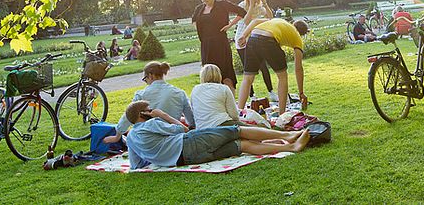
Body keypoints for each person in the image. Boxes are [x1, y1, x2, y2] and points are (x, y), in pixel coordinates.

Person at [124, 100, 310, 170]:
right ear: (144, 114)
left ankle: (290, 147)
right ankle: (287, 137)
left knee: (242, 146)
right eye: (150, 109)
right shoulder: (152, 123)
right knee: (238, 130)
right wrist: (164, 116)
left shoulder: (131, 139)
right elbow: (182, 129)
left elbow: (136, 165)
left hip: (186, 160)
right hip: (190, 142)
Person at [104, 62, 195, 144]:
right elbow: (191, 120)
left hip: (149, 141)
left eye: (145, 79)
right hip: (174, 139)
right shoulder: (179, 93)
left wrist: (117, 136)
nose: (146, 83)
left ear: (150, 76)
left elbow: (128, 116)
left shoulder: (141, 94)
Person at [237, 18, 309, 114]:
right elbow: (298, 68)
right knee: (282, 77)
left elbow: (255, 21)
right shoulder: (297, 38)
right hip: (269, 39)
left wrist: (244, 35)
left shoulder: (279, 20)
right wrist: (301, 93)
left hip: (253, 37)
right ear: (302, 34)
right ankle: (282, 114)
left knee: (247, 79)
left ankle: (238, 113)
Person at [192, 0, 247, 93]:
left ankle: (233, 104)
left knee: (226, 74)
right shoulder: (199, 9)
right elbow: (194, 21)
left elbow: (242, 12)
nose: (204, 0)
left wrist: (230, 25)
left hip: (220, 44)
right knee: (209, 77)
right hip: (206, 46)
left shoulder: (222, 5)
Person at [235, 0, 277, 102]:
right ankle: (252, 96)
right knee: (248, 70)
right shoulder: (242, 6)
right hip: (242, 41)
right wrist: (251, 6)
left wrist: (264, 2)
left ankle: (271, 92)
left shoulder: (260, 6)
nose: (257, 0)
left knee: (263, 66)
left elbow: (270, 17)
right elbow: (247, 20)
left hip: (254, 41)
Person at [190, 64, 241, 129]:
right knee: (254, 129)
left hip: (201, 127)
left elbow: (193, 109)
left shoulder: (195, 89)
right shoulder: (223, 88)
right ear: (219, 75)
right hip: (222, 124)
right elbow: (234, 114)